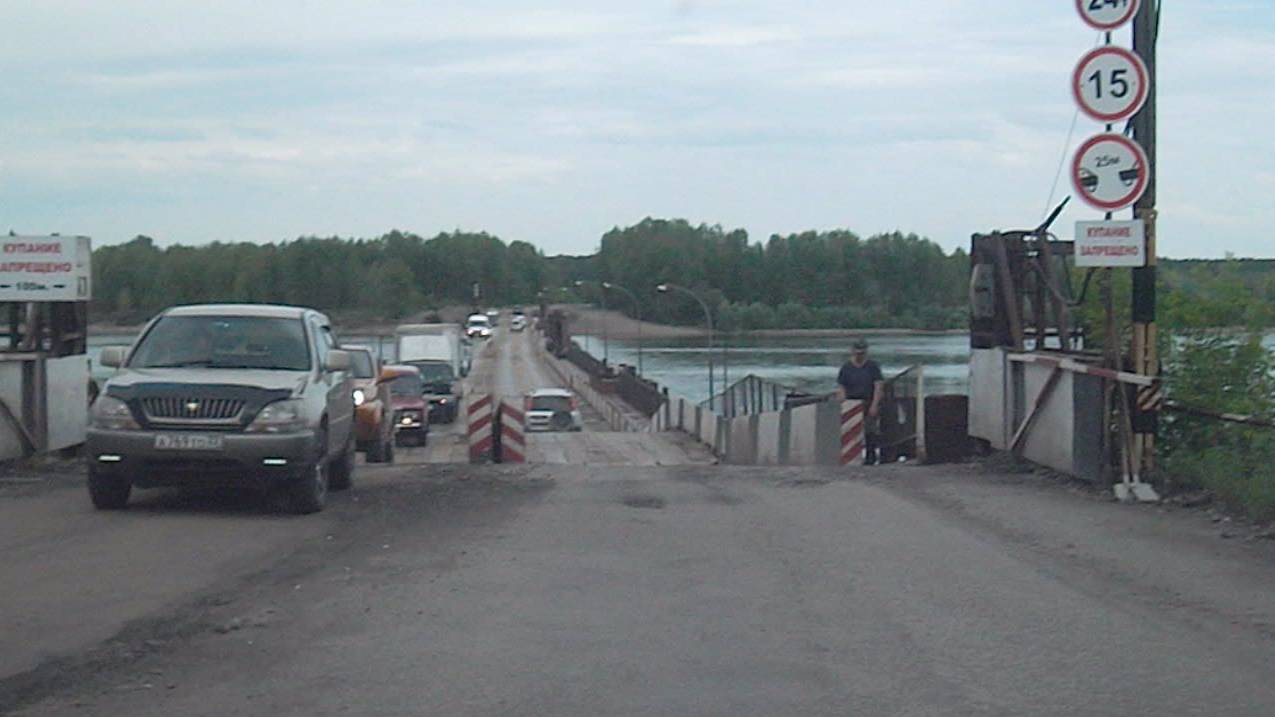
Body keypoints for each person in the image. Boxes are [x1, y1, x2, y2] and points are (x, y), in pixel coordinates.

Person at [836, 338, 884, 465]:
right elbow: (841, 387)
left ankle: (870, 459)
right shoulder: (846, 368)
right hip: (852, 402)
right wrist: (843, 402)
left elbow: (878, 386)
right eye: (857, 352)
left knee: (870, 431)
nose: (859, 355)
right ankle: (851, 458)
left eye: (862, 352)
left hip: (868, 401)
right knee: (851, 432)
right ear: (852, 351)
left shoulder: (873, 366)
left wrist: (874, 404)